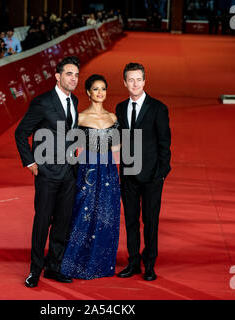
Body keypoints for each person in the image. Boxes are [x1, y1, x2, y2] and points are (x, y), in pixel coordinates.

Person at [15, 56, 80, 288]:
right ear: (57, 76)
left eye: (76, 75)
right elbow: (21, 133)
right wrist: (30, 163)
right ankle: (35, 270)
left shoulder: (75, 101)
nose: (73, 79)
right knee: (42, 222)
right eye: (69, 74)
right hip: (47, 173)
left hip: (69, 173)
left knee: (62, 222)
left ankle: (54, 267)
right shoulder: (43, 102)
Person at [60, 74, 121, 280]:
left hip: (108, 170)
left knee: (106, 214)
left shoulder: (113, 118)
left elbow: (118, 147)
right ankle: (75, 261)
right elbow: (70, 147)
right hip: (87, 170)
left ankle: (101, 263)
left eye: (103, 89)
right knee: (83, 212)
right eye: (95, 89)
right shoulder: (80, 118)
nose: (100, 93)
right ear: (88, 92)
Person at [115, 62, 171, 281]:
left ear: (145, 81)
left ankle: (150, 263)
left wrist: (161, 173)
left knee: (150, 220)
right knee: (130, 220)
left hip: (151, 176)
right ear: (125, 82)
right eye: (131, 79)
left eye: (139, 79)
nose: (135, 83)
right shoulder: (120, 108)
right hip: (128, 175)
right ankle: (133, 262)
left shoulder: (158, 108)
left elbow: (165, 143)